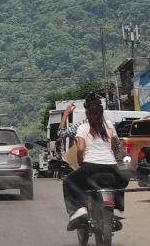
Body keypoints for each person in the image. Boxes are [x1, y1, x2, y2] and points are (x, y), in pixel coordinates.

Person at [62, 93, 128, 231]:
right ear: (102, 111)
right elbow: (117, 148)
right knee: (121, 181)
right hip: (111, 167)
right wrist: (121, 165)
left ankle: (79, 210)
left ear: (87, 112)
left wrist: (80, 161)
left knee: (68, 182)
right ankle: (116, 208)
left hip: (90, 168)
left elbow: (80, 149)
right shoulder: (109, 125)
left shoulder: (82, 127)